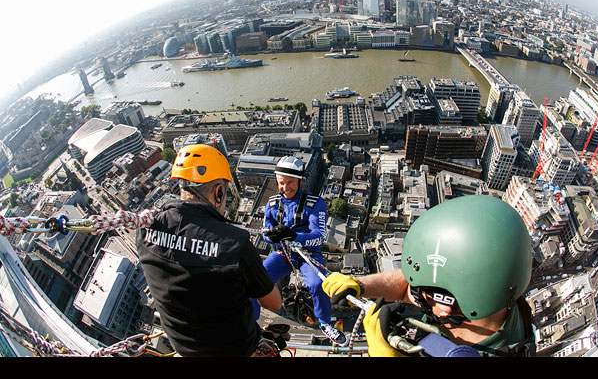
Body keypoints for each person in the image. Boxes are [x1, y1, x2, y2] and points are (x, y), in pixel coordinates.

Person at [322, 195, 536, 357]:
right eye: (432, 296)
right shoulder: (491, 295)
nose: (441, 311)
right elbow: (408, 287)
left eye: (455, 303)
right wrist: (360, 286)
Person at [136, 144, 282, 357]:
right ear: (219, 191)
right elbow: (274, 303)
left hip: (184, 350)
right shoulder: (234, 242)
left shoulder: (146, 228)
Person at [262, 156, 348, 347]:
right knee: (257, 276)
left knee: (318, 284)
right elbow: (265, 232)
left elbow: (319, 236)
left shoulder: (315, 204)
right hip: (284, 253)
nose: (285, 188)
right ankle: (249, 316)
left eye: (290, 182)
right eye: (281, 183)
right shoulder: (273, 203)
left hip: (308, 254)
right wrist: (272, 236)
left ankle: (325, 323)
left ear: (300, 181)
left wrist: (294, 236)